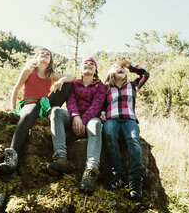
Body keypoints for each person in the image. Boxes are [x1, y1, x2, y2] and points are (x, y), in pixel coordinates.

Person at [0, 48, 74, 175]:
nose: (45, 54)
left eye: (48, 54)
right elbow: (17, 87)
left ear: (50, 61)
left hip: (45, 104)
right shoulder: (29, 70)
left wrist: (62, 79)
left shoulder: (51, 74)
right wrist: (13, 107)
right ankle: (12, 157)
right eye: (42, 53)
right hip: (30, 104)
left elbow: (72, 77)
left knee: (68, 84)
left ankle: (52, 112)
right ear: (36, 57)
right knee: (28, 115)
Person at [46, 57, 105, 195]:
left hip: (90, 119)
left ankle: (91, 171)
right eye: (85, 63)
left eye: (92, 64)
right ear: (80, 69)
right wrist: (75, 117)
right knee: (56, 111)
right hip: (73, 117)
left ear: (95, 70)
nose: (89, 65)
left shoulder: (100, 86)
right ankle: (61, 158)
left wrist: (83, 120)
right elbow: (71, 102)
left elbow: (96, 106)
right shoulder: (74, 84)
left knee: (96, 124)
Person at [100, 59, 149, 200]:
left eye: (122, 68)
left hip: (129, 120)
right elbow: (102, 105)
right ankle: (119, 176)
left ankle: (135, 181)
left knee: (133, 139)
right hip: (111, 120)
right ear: (111, 73)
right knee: (108, 134)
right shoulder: (106, 88)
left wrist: (130, 65)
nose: (120, 68)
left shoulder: (133, 86)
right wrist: (102, 113)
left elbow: (145, 75)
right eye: (116, 67)